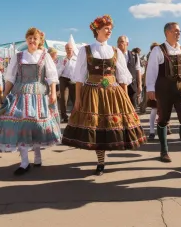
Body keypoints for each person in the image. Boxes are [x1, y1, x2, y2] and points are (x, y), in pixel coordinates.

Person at [62, 15, 147, 176]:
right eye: (106, 28)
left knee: (111, 126)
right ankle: (100, 161)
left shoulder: (115, 51)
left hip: (113, 93)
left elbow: (123, 77)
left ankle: (104, 159)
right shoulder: (85, 50)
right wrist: (78, 99)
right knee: (97, 127)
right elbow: (79, 78)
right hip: (92, 93)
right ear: (97, 30)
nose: (109, 31)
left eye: (110, 29)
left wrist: (125, 98)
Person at [0, 27, 62, 175]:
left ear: (40, 41)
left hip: (38, 93)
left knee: (36, 124)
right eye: (29, 38)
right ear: (26, 39)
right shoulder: (18, 56)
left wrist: (53, 92)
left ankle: (38, 156)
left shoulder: (44, 56)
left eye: (35, 38)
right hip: (20, 93)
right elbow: (10, 78)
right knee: (21, 124)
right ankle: (25, 162)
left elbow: (52, 76)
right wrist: (5, 94)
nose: (32, 41)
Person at [146, 22, 181, 168]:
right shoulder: (158, 50)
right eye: (176, 31)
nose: (179, 33)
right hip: (164, 88)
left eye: (179, 31)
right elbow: (151, 70)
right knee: (163, 119)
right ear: (167, 33)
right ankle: (164, 151)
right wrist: (150, 88)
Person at [117, 36, 142, 109]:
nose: (119, 43)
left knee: (132, 108)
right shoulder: (114, 55)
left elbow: (138, 70)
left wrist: (139, 85)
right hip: (119, 86)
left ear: (127, 44)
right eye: (118, 42)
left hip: (132, 86)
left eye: (121, 41)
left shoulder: (134, 55)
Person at [57, 43, 77, 122]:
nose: (69, 50)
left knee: (75, 98)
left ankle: (75, 116)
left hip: (73, 80)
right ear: (65, 50)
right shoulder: (62, 59)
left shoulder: (77, 59)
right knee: (63, 99)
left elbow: (79, 71)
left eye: (70, 48)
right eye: (67, 48)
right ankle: (64, 117)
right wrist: (63, 65)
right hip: (63, 79)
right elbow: (58, 71)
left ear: (73, 49)